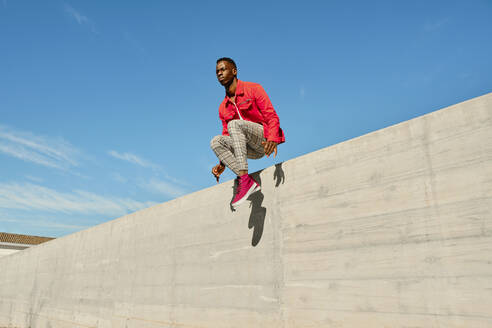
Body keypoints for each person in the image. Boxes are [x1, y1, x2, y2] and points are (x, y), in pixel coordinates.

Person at [210, 57, 285, 208]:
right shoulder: (223, 107)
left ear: (234, 71)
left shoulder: (254, 88)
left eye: (223, 69)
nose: (219, 73)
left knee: (234, 124)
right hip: (248, 149)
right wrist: (222, 163)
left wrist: (273, 137)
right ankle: (246, 180)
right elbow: (226, 136)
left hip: (262, 139)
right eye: (217, 71)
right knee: (216, 141)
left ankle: (244, 181)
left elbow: (271, 115)